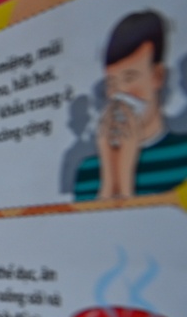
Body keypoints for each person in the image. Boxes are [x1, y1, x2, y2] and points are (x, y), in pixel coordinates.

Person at [71, 10, 187, 200]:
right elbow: (90, 229)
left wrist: (125, 179)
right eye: (112, 84)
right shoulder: (88, 171)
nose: (120, 94)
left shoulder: (182, 154)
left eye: (130, 77)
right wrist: (110, 177)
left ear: (157, 76)